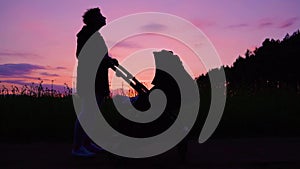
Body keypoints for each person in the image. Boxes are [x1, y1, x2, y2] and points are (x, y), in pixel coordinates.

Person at [72, 7, 118, 157]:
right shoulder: (85, 35)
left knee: (93, 114)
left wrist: (109, 60)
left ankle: (86, 143)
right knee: (87, 113)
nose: (104, 18)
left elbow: (99, 56)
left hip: (98, 79)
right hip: (90, 80)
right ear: (93, 20)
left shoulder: (95, 35)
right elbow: (82, 55)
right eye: (101, 16)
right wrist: (105, 60)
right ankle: (77, 148)